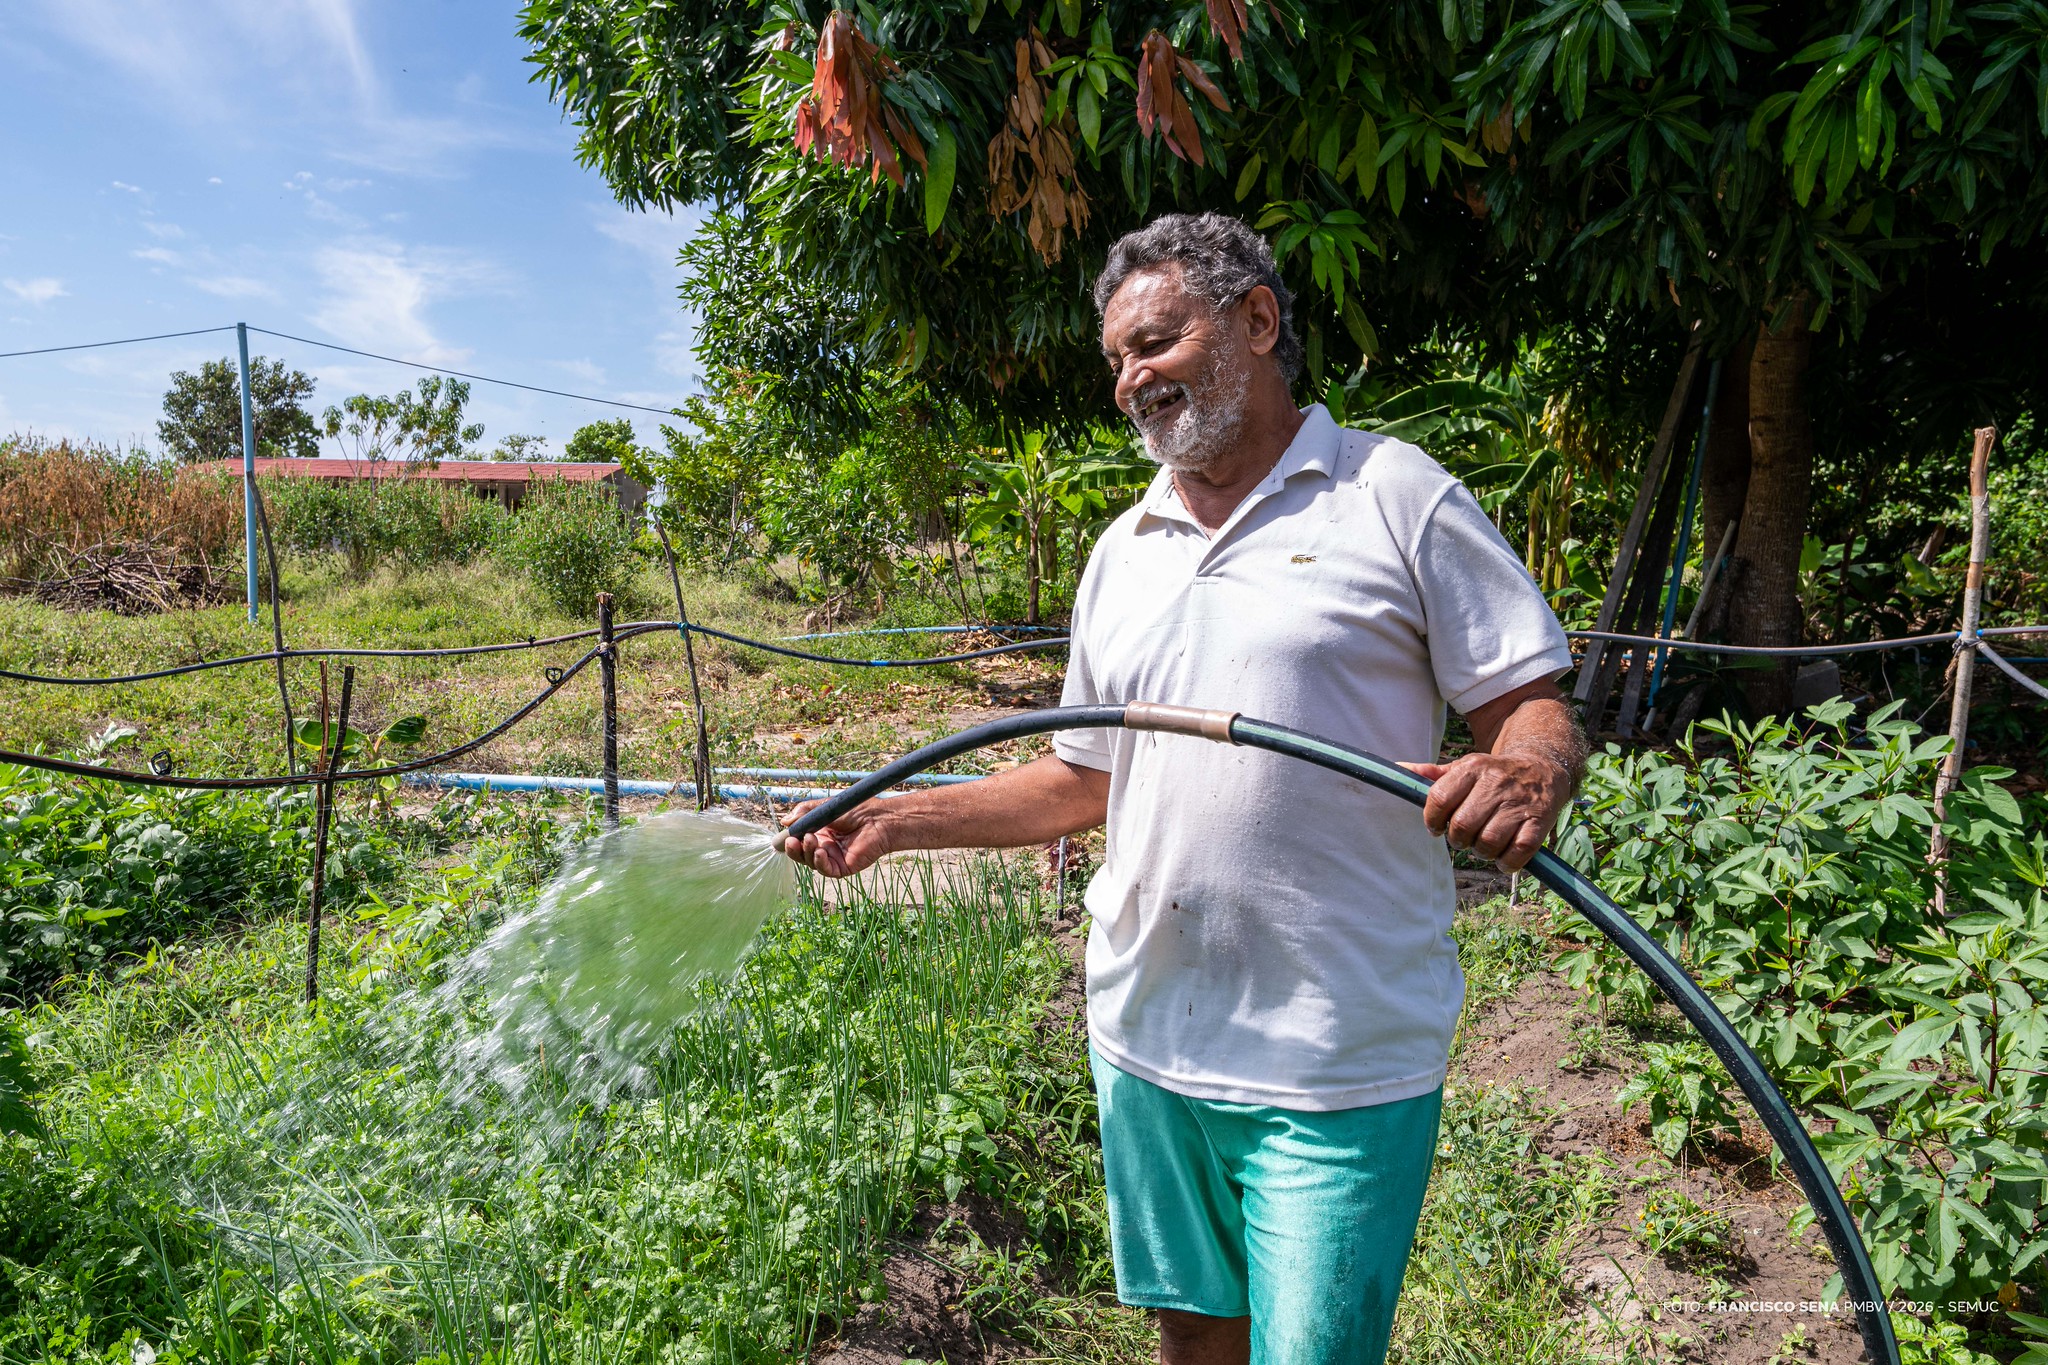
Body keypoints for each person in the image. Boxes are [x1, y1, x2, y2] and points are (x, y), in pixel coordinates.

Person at [780, 212, 1585, 1365]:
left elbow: (1529, 695)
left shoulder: (1389, 495)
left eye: (1152, 343)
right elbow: (1080, 776)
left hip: (1333, 1054)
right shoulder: (1125, 547)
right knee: (1192, 1336)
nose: (1129, 381)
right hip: (1146, 1033)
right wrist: (899, 820)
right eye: (1116, 359)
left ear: (1255, 320)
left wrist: (1521, 769)